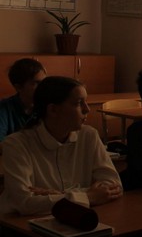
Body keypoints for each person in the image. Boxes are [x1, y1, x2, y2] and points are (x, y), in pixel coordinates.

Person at [0, 76, 122, 215]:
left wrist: (60, 195)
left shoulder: (89, 135)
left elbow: (114, 186)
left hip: (74, 218)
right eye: (78, 103)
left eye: (86, 102)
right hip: (21, 224)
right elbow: (24, 202)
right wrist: (88, 196)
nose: (87, 109)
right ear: (53, 110)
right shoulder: (16, 144)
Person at [0, 58, 46, 142]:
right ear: (18, 87)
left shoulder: (50, 107)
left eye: (44, 82)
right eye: (36, 83)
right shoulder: (4, 109)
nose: (43, 87)